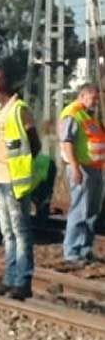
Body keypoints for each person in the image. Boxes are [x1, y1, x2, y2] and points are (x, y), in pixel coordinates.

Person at [0, 68, 41, 300]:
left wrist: (23, 167)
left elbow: (34, 143)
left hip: (15, 181)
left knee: (20, 232)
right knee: (7, 232)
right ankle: (10, 278)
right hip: (0, 179)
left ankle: (22, 281)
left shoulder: (19, 109)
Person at [59, 83, 105, 265]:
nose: (96, 102)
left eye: (97, 99)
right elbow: (67, 142)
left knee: (92, 212)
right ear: (83, 95)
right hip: (82, 169)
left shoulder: (88, 115)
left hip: (95, 169)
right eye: (93, 98)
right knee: (80, 210)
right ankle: (72, 252)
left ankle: (85, 249)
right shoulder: (72, 114)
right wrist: (75, 167)